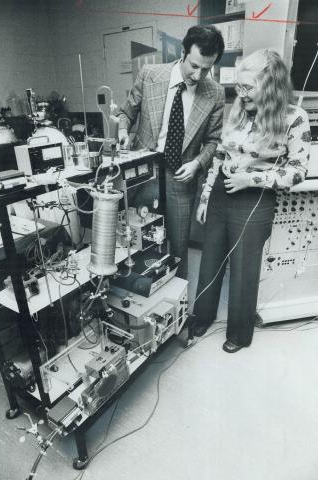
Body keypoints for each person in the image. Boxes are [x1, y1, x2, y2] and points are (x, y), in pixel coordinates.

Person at [193, 49, 311, 352]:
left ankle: (239, 335)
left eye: (248, 87)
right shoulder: (240, 109)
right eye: (239, 86)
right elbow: (220, 154)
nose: (240, 93)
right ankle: (201, 317)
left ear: (270, 86)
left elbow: (297, 172)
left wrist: (251, 178)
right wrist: (207, 195)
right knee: (210, 262)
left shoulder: (294, 118)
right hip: (222, 192)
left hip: (254, 198)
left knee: (244, 269)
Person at [117, 26, 225, 279]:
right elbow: (126, 113)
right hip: (143, 174)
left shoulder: (215, 93)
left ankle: (178, 306)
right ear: (182, 52)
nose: (199, 75)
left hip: (180, 177)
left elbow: (214, 141)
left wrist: (198, 163)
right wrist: (123, 129)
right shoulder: (150, 74)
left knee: (178, 249)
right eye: (194, 66)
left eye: (206, 69)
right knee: (140, 240)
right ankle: (141, 297)